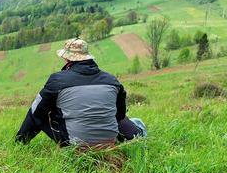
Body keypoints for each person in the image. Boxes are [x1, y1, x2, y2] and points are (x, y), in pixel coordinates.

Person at [16, 37, 146, 148]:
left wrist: (19, 142)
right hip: (109, 142)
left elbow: (35, 113)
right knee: (131, 120)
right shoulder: (112, 80)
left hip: (73, 145)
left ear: (67, 60)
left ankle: (21, 143)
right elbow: (120, 115)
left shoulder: (57, 80)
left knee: (42, 110)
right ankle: (136, 135)